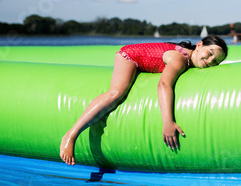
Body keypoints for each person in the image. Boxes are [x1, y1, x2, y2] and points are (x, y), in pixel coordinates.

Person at [60, 35, 228, 166]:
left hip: (139, 60)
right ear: (199, 45)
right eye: (210, 53)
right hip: (130, 56)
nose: (211, 60)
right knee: (116, 93)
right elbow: (163, 84)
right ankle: (71, 134)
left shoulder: (188, 59)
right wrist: (168, 121)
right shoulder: (180, 59)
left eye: (217, 61)